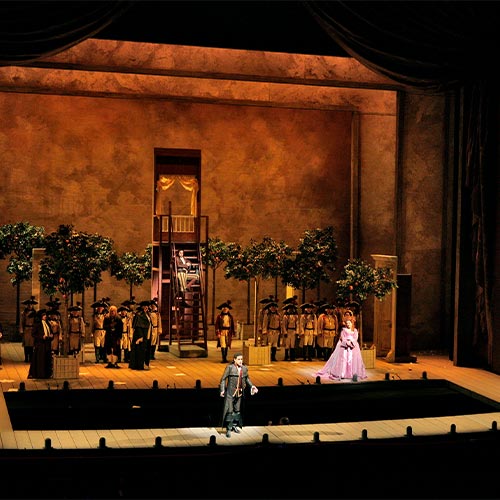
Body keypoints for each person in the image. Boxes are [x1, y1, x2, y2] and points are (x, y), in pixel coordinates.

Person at [219, 352, 258, 438]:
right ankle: (228, 428)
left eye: (241, 359)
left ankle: (234, 425)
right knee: (229, 411)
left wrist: (252, 386)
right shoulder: (230, 368)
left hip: (239, 393)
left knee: (237, 410)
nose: (240, 361)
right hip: (230, 393)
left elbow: (247, 379)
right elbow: (223, 379)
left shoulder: (244, 368)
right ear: (234, 360)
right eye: (239, 359)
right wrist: (222, 390)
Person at [28, 309, 54, 379]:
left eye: (45, 315)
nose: (45, 316)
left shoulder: (47, 323)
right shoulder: (38, 324)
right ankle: (40, 374)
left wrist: (51, 336)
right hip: (40, 344)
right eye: (44, 315)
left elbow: (50, 332)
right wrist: (41, 337)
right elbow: (33, 334)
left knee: (47, 359)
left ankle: (47, 374)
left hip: (47, 344)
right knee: (40, 359)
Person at [129, 300, 152, 370]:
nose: (146, 307)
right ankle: (139, 365)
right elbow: (137, 326)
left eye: (147, 306)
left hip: (147, 334)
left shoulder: (148, 314)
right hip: (141, 336)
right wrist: (140, 336)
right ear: (142, 307)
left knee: (146, 350)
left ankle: (145, 364)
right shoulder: (139, 315)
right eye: (144, 306)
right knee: (140, 351)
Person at [20, 296, 37, 363]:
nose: (30, 306)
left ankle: (31, 358)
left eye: (31, 304)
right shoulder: (24, 313)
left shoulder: (35, 313)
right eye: (28, 304)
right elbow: (21, 322)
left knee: (32, 345)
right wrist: (21, 330)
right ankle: (26, 357)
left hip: (32, 329)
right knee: (26, 345)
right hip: (26, 330)